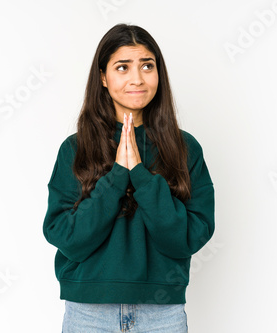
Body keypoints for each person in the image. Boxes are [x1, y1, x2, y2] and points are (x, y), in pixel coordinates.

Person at [42, 23, 215, 333]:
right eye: (123, 67)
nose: (137, 78)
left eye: (147, 66)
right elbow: (69, 240)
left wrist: (140, 174)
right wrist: (118, 175)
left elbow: (185, 239)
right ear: (104, 78)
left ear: (158, 74)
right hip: (89, 314)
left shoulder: (185, 148)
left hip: (162, 315)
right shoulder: (75, 149)